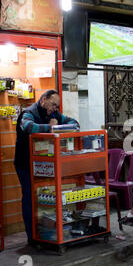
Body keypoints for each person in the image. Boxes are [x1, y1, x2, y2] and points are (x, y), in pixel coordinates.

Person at [14, 89, 79, 245]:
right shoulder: (28, 113)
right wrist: (49, 127)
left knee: (44, 199)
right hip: (26, 164)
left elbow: (74, 124)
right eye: (53, 104)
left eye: (56, 106)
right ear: (43, 99)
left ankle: (44, 234)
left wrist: (59, 128)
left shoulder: (54, 114)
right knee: (30, 198)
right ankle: (32, 237)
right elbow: (29, 128)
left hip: (43, 165)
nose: (54, 109)